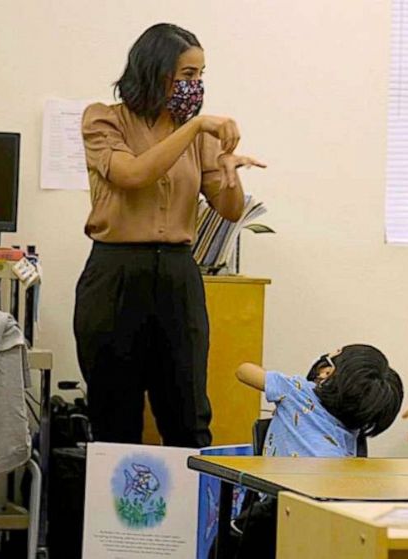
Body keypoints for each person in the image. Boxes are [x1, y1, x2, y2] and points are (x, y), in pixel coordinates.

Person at [75, 23, 265, 447]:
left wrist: (231, 175)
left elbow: (230, 208)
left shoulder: (195, 134)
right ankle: (114, 515)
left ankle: (191, 513)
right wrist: (194, 129)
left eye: (200, 75)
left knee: (187, 416)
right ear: (156, 72)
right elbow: (133, 174)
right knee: (115, 419)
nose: (196, 86)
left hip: (178, 275)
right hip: (116, 274)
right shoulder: (104, 119)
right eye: (188, 76)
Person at [235, 344, 404, 457]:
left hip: (276, 502)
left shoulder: (296, 390)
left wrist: (282, 385)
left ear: (327, 373)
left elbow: (244, 371)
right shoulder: (355, 421)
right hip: (328, 500)